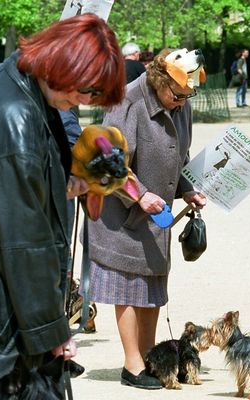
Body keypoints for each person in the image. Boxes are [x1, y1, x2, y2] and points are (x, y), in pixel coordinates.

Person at [0, 13, 125, 399]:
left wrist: (65, 183)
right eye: (85, 90)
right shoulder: (13, 116)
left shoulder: (10, 80)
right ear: (60, 64)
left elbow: (17, 188)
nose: (84, 102)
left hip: (2, 289)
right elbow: (22, 240)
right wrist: (52, 331)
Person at [86, 48, 207, 390]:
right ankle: (132, 364)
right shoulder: (127, 102)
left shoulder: (181, 105)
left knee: (153, 286)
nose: (182, 102)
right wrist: (139, 194)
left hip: (157, 214)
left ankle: (150, 356)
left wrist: (187, 189)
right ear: (160, 82)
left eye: (188, 95)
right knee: (127, 284)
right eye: (178, 95)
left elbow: (178, 158)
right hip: (119, 212)